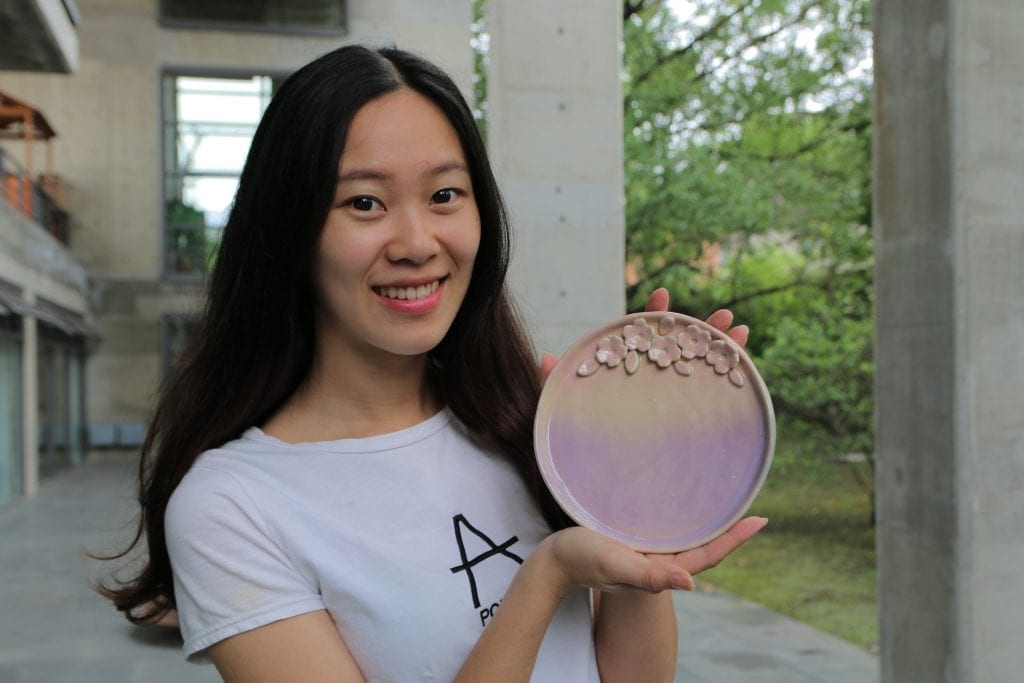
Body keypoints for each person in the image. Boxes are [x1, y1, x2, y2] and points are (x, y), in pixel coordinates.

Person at [98, 44, 764, 681]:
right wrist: (546, 576)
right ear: (290, 230)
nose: (417, 243)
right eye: (364, 202)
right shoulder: (229, 506)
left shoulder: (524, 424)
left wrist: (640, 513)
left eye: (445, 195)